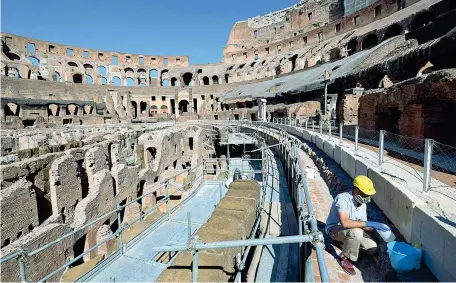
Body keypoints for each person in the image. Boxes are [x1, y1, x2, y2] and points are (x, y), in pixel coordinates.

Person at [325, 175, 391, 275]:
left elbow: (363, 224)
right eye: (365, 194)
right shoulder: (342, 198)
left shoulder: (362, 204)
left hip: (351, 231)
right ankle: (343, 257)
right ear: (356, 190)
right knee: (357, 232)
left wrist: (376, 228)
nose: (367, 198)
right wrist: (368, 223)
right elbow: (345, 222)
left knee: (373, 248)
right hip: (335, 229)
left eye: (368, 195)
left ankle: (346, 244)